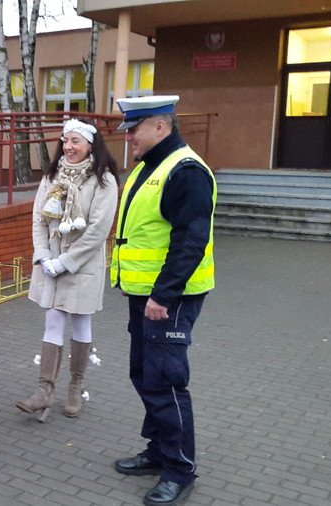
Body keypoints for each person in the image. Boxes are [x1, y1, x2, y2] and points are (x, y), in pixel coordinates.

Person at [109, 96, 216, 506]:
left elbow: (190, 240)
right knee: (144, 374)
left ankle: (179, 470)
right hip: (147, 297)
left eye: (134, 129)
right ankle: (158, 451)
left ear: (160, 126)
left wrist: (163, 295)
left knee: (166, 382)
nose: (129, 137)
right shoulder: (151, 166)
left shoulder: (186, 171)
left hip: (168, 299)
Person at [16, 118, 119, 422]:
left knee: (81, 324)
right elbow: (38, 219)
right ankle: (44, 391)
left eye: (76, 141)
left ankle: (75, 387)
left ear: (90, 144)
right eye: (65, 140)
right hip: (51, 263)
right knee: (52, 321)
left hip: (81, 266)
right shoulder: (53, 176)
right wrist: (44, 255)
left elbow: (99, 230)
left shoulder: (103, 180)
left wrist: (66, 262)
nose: (69, 147)